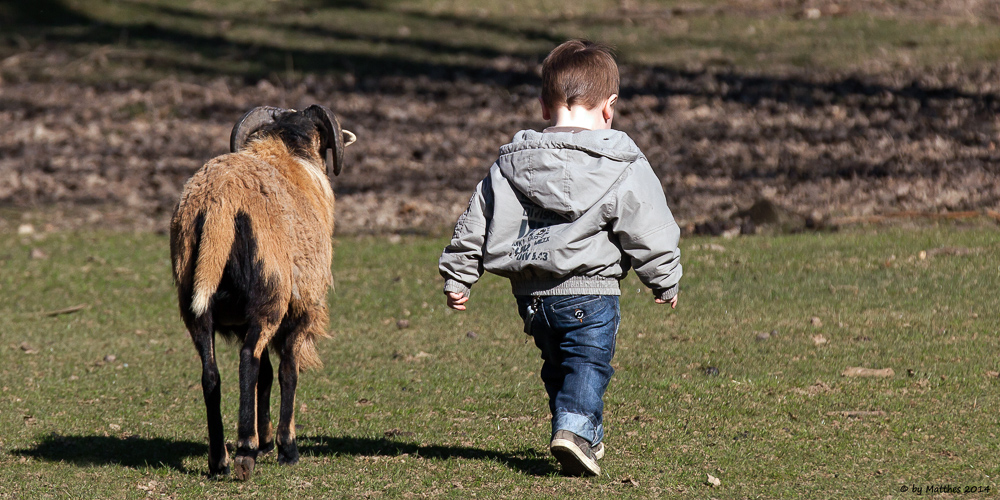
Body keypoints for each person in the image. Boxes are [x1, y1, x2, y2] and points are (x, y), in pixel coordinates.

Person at [438, 39, 682, 477]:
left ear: (543, 105)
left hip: (532, 298)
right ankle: (572, 429)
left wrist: (459, 276)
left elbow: (476, 219)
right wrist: (664, 277)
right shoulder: (620, 161)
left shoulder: (511, 163)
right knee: (588, 363)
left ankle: (582, 433)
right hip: (590, 289)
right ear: (609, 108)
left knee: (560, 367)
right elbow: (648, 224)